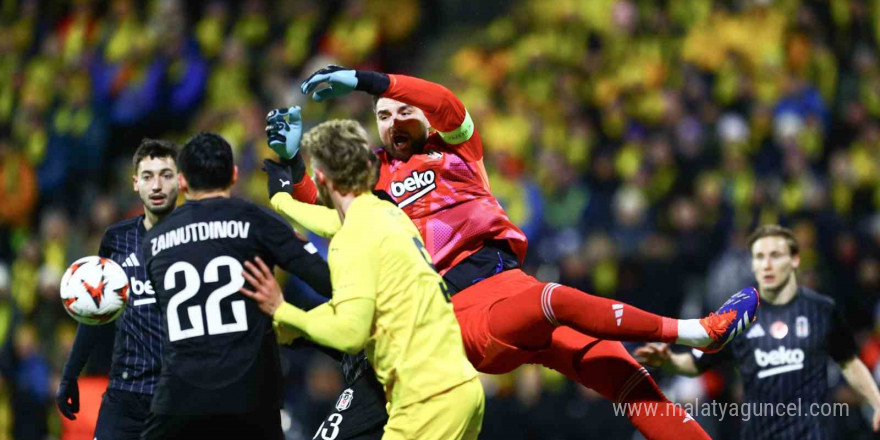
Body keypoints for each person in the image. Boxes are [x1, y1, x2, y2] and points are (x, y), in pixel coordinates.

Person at [260, 66, 758, 440]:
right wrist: (289, 165)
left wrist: (369, 81)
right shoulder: (372, 182)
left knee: (625, 377)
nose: (394, 121)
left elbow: (445, 100)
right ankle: (697, 332)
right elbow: (324, 208)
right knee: (554, 299)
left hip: (508, 283)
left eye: (401, 109)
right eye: (383, 117)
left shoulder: (457, 149)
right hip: (464, 308)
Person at [243, 119, 484, 440]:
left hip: (425, 399)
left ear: (322, 178)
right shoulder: (389, 214)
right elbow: (334, 221)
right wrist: (282, 202)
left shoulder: (350, 242)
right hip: (461, 387)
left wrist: (282, 310)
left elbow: (350, 334)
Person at [140, 133, 332, 439]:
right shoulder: (259, 222)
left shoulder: (152, 242)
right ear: (233, 174)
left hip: (179, 398)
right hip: (251, 394)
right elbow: (327, 282)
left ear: (183, 182)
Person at [635, 225, 880, 439]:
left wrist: (876, 401)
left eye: (775, 256)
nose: (767, 264)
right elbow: (696, 364)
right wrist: (669, 361)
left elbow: (850, 363)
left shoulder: (822, 311)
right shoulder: (740, 316)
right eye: (760, 257)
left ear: (793, 261)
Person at [56, 139, 179, 439]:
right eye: (148, 176)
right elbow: (97, 311)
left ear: (181, 181)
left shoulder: (197, 237)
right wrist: (71, 374)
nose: (157, 185)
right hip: (124, 394)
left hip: (178, 395)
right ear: (135, 183)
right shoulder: (117, 238)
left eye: (166, 174)